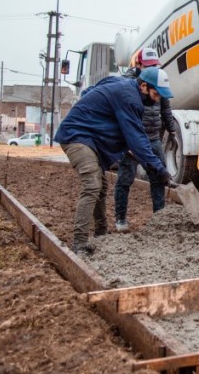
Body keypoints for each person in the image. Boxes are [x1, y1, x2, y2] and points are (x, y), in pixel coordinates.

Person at [54, 67, 174, 255]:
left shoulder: (120, 83)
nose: (157, 99)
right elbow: (137, 138)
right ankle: (79, 244)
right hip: (77, 136)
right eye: (156, 94)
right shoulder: (130, 99)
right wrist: (159, 169)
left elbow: (89, 91)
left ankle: (101, 234)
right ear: (143, 86)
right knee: (92, 185)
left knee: (101, 186)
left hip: (90, 138)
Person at [113, 48, 179, 232]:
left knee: (159, 177)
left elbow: (166, 107)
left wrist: (172, 132)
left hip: (153, 136)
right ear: (139, 65)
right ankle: (120, 219)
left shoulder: (159, 80)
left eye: (155, 66)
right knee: (125, 178)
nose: (152, 69)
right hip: (131, 139)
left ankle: (159, 219)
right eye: (148, 66)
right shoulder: (127, 85)